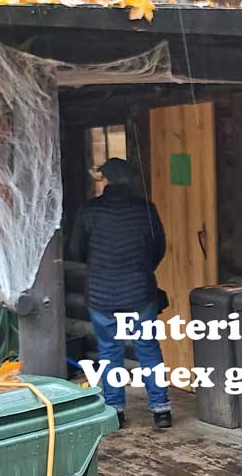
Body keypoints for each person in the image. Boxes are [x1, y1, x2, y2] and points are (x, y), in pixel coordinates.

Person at [69, 158, 172, 429]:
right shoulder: (146, 209)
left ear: (105, 180)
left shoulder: (89, 210)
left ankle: (115, 409)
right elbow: (158, 248)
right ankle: (161, 409)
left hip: (102, 293)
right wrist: (140, 269)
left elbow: (76, 251)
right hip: (140, 292)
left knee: (109, 351)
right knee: (148, 349)